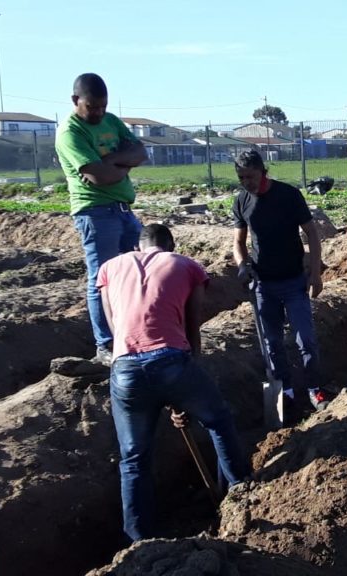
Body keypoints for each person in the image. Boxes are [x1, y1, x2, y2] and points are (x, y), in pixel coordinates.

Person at [97, 223, 249, 542]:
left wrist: (171, 396)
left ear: (139, 247)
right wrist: (183, 386)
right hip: (172, 360)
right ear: (171, 245)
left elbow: (117, 329)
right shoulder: (186, 265)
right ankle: (242, 494)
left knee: (134, 457)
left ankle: (139, 540)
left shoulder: (109, 268)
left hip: (124, 368)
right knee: (218, 420)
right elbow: (190, 326)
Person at [56, 72, 148, 366]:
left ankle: (136, 331)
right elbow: (99, 177)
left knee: (140, 268)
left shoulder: (110, 121)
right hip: (94, 212)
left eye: (102, 107)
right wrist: (119, 165)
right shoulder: (70, 132)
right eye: (92, 107)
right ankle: (106, 345)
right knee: (103, 278)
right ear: (76, 101)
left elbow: (140, 152)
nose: (98, 113)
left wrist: (110, 163)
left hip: (122, 209)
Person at [231, 149, 327, 419]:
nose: (246, 182)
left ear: (263, 171)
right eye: (241, 177)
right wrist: (242, 265)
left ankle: (314, 387)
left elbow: (311, 233)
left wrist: (316, 272)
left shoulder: (288, 195)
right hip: (263, 285)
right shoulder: (241, 202)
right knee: (271, 343)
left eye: (250, 176)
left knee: (305, 338)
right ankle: (285, 389)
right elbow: (239, 242)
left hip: (294, 280)